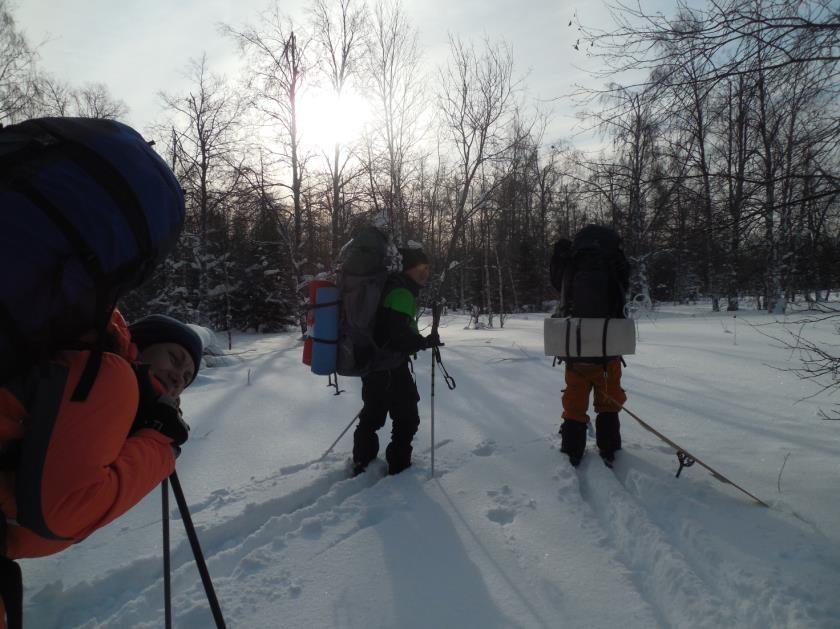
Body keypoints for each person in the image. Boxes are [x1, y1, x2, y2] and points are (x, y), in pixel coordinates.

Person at [0, 311, 201, 564]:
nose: (177, 378)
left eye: (186, 377)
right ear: (142, 344)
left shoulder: (116, 408)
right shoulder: (110, 374)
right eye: (174, 358)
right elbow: (65, 513)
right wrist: (159, 446)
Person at [352, 246, 441, 476]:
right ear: (408, 270)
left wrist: (418, 341)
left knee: (372, 414)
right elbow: (397, 337)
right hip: (389, 366)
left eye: (427, 268)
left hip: (373, 363)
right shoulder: (402, 293)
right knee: (407, 417)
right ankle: (400, 468)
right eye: (419, 268)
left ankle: (362, 462)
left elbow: (391, 330)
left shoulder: (391, 287)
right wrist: (423, 342)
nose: (424, 273)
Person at [554, 225, 630, 466]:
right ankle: (610, 449)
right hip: (610, 346)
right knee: (609, 400)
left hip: (577, 347)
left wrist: (559, 255)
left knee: (575, 401)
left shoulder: (571, 260)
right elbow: (623, 290)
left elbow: (558, 285)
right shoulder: (614, 260)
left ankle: (572, 450)